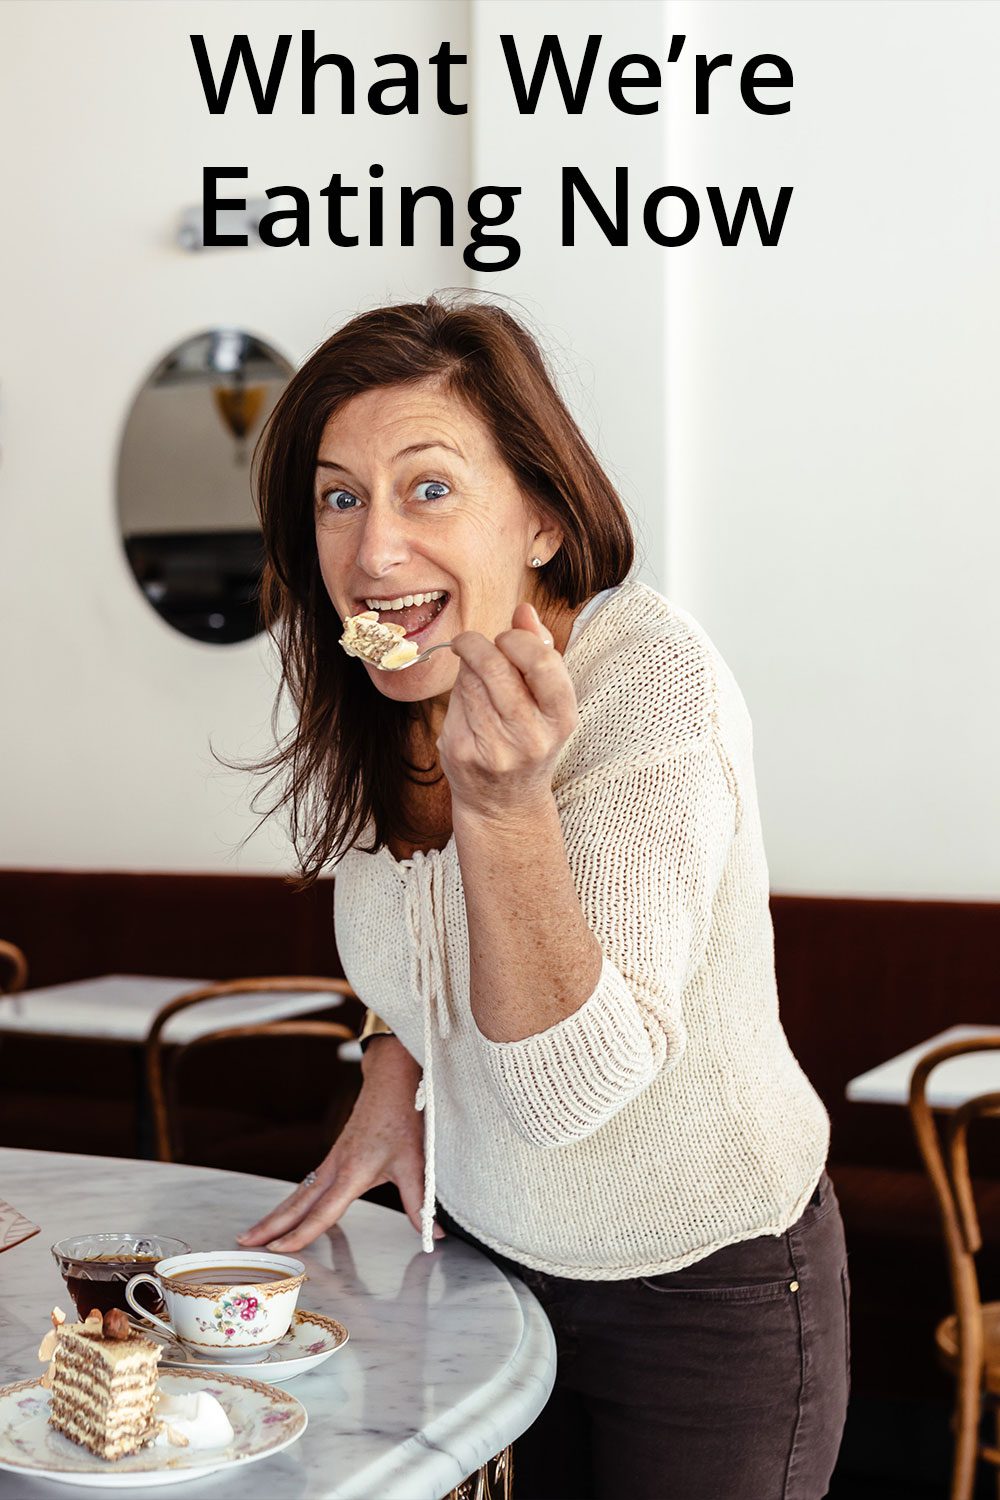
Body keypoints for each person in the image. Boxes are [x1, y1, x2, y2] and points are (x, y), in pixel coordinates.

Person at [237, 296, 849, 1499]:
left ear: (540, 521)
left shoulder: (645, 679)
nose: (373, 551)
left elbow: (569, 1088)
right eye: (339, 497)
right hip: (488, 1264)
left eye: (428, 489)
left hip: (707, 1287)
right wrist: (390, 1062)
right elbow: (414, 946)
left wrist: (504, 807)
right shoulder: (390, 704)